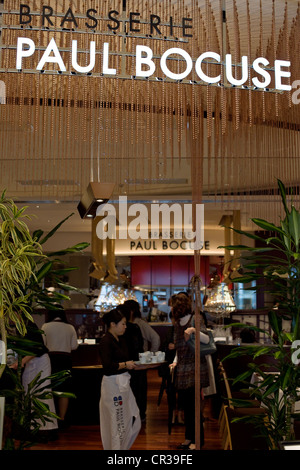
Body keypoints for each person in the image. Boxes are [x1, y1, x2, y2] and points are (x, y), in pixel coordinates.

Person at [170, 293, 210, 450]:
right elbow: (179, 348)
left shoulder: (195, 319)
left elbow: (208, 339)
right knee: (186, 405)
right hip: (182, 368)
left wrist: (194, 330)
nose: (171, 308)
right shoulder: (177, 324)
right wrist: (174, 362)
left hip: (195, 367)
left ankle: (197, 440)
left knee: (194, 406)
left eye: (173, 305)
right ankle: (188, 438)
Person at [98, 307, 141, 450]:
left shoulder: (121, 340)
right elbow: (107, 366)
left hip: (123, 383)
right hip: (112, 386)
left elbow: (127, 360)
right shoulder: (105, 341)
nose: (125, 326)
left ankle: (123, 447)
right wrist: (125, 364)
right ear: (112, 324)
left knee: (130, 416)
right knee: (115, 420)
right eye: (122, 324)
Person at [19, 321, 59, 439]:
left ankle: (44, 430)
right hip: (32, 361)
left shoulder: (28, 324)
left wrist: (21, 362)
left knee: (41, 393)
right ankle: (33, 428)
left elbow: (38, 348)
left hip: (39, 361)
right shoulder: (21, 324)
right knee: (29, 393)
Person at [124, 299, 160, 421]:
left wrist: (150, 357)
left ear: (132, 311)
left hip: (139, 362)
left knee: (139, 389)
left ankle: (140, 415)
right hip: (131, 363)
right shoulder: (127, 324)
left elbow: (155, 338)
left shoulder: (139, 323)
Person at [41, 310, 78, 426]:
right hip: (65, 360)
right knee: (64, 389)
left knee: (49, 387)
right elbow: (74, 346)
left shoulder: (45, 326)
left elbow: (42, 345)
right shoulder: (70, 327)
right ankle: (62, 418)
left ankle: (50, 418)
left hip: (50, 359)